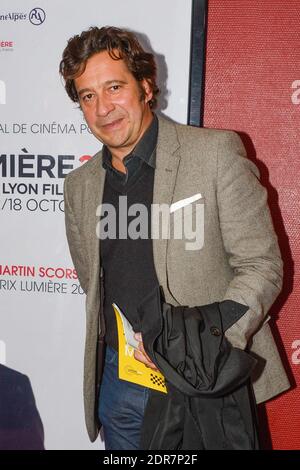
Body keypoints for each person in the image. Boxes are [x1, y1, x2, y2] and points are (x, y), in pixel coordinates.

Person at [59, 26, 290, 449]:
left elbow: (261, 266)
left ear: (146, 86)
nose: (103, 107)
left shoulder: (215, 153)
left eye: (114, 87)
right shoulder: (79, 186)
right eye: (88, 95)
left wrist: (205, 344)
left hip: (202, 378)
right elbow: (92, 279)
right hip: (120, 382)